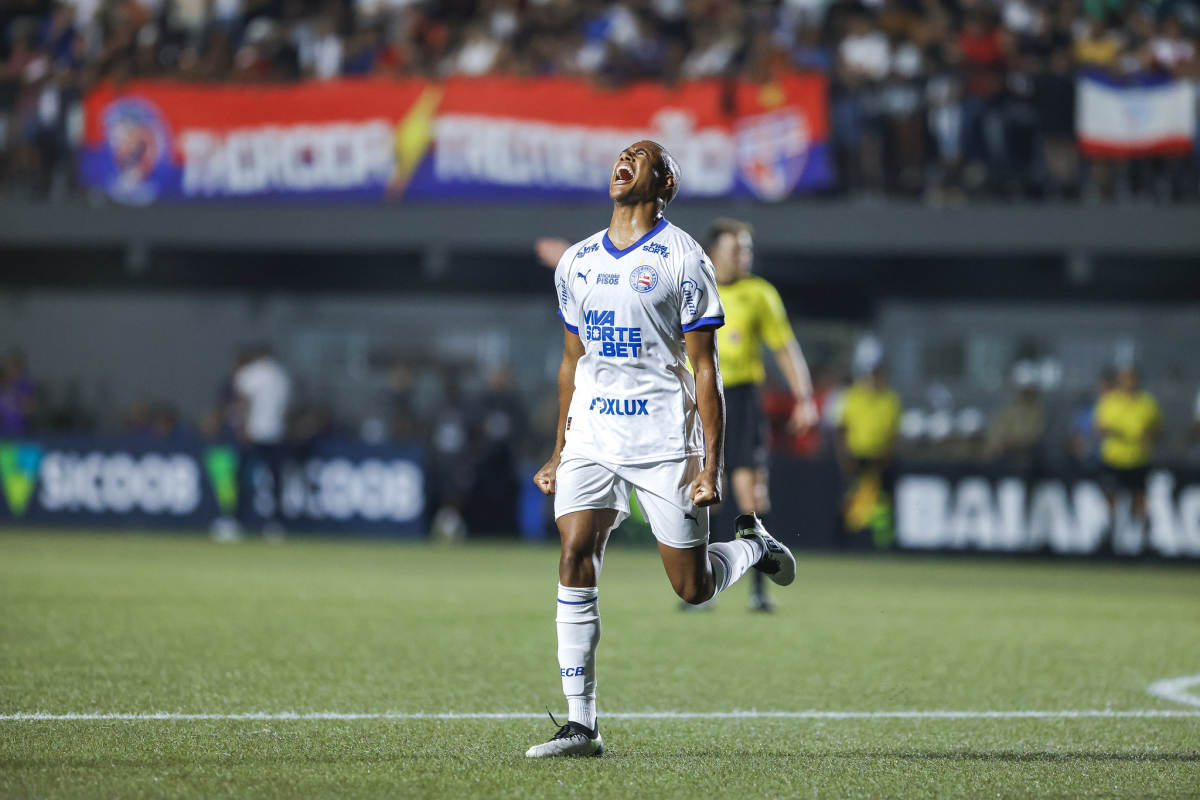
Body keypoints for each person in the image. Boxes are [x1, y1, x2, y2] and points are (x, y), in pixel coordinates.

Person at [528, 140, 796, 758]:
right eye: (621, 153)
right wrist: (558, 446)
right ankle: (582, 723)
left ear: (664, 181)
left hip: (663, 442)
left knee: (692, 587)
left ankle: (753, 545)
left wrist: (711, 464)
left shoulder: (684, 260)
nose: (624, 160)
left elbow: (707, 371)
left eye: (641, 156)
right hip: (593, 436)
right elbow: (573, 361)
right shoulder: (578, 261)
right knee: (574, 552)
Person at [704, 217, 818, 612]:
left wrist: (804, 397)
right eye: (738, 249)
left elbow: (784, 347)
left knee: (750, 493)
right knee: (705, 495)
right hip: (701, 399)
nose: (745, 256)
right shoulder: (694, 290)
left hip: (744, 398)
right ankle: (702, 588)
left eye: (747, 248)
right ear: (714, 253)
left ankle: (758, 589)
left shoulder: (759, 293)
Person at [834, 347, 901, 542]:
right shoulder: (853, 396)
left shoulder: (891, 399)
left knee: (881, 505)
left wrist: (888, 456)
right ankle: (847, 541)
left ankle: (881, 543)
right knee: (852, 503)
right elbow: (841, 430)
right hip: (856, 458)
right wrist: (844, 458)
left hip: (880, 460)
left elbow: (894, 434)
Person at [1095, 365, 1162, 550]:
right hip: (1114, 459)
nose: (1130, 382)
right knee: (1111, 498)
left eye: (1133, 378)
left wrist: (1149, 436)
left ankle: (1143, 540)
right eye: (1126, 378)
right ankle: (1109, 535)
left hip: (1139, 459)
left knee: (1139, 499)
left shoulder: (1147, 402)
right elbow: (1101, 427)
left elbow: (1157, 429)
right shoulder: (1110, 401)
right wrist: (1125, 434)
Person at [233, 345, 292, 537]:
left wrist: (243, 428)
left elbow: (244, 401)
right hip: (276, 434)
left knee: (242, 479)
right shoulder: (282, 375)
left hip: (254, 433)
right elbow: (285, 407)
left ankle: (235, 521)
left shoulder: (250, 373)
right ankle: (275, 524)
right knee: (275, 481)